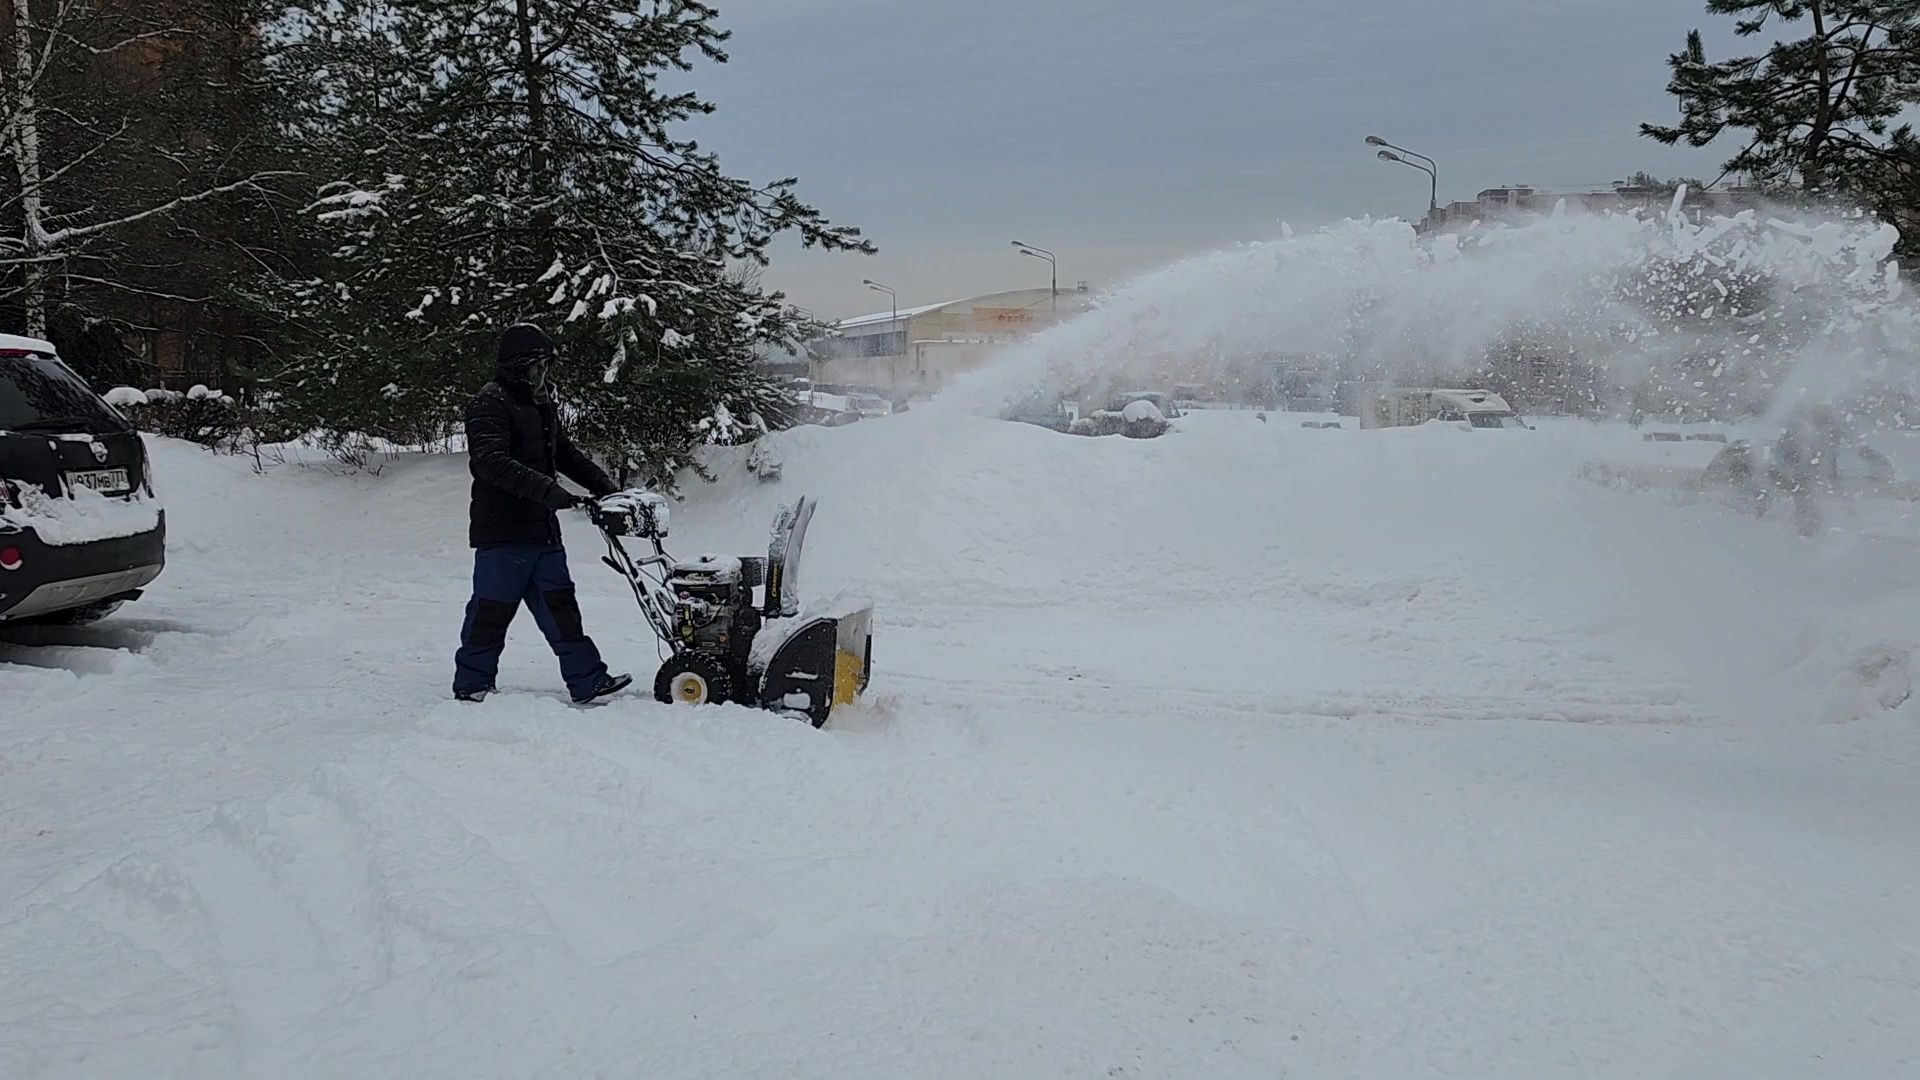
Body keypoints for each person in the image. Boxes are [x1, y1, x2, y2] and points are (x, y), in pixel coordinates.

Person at [451, 322, 633, 704]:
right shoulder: (489, 403)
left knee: (562, 607)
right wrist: (550, 492)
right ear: (518, 365)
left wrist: (608, 490)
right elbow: (490, 462)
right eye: (537, 366)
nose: (543, 373)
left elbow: (562, 453)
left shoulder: (540, 403)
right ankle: (472, 683)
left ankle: (587, 680)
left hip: (542, 530)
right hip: (502, 530)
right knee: (491, 611)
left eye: (547, 366)